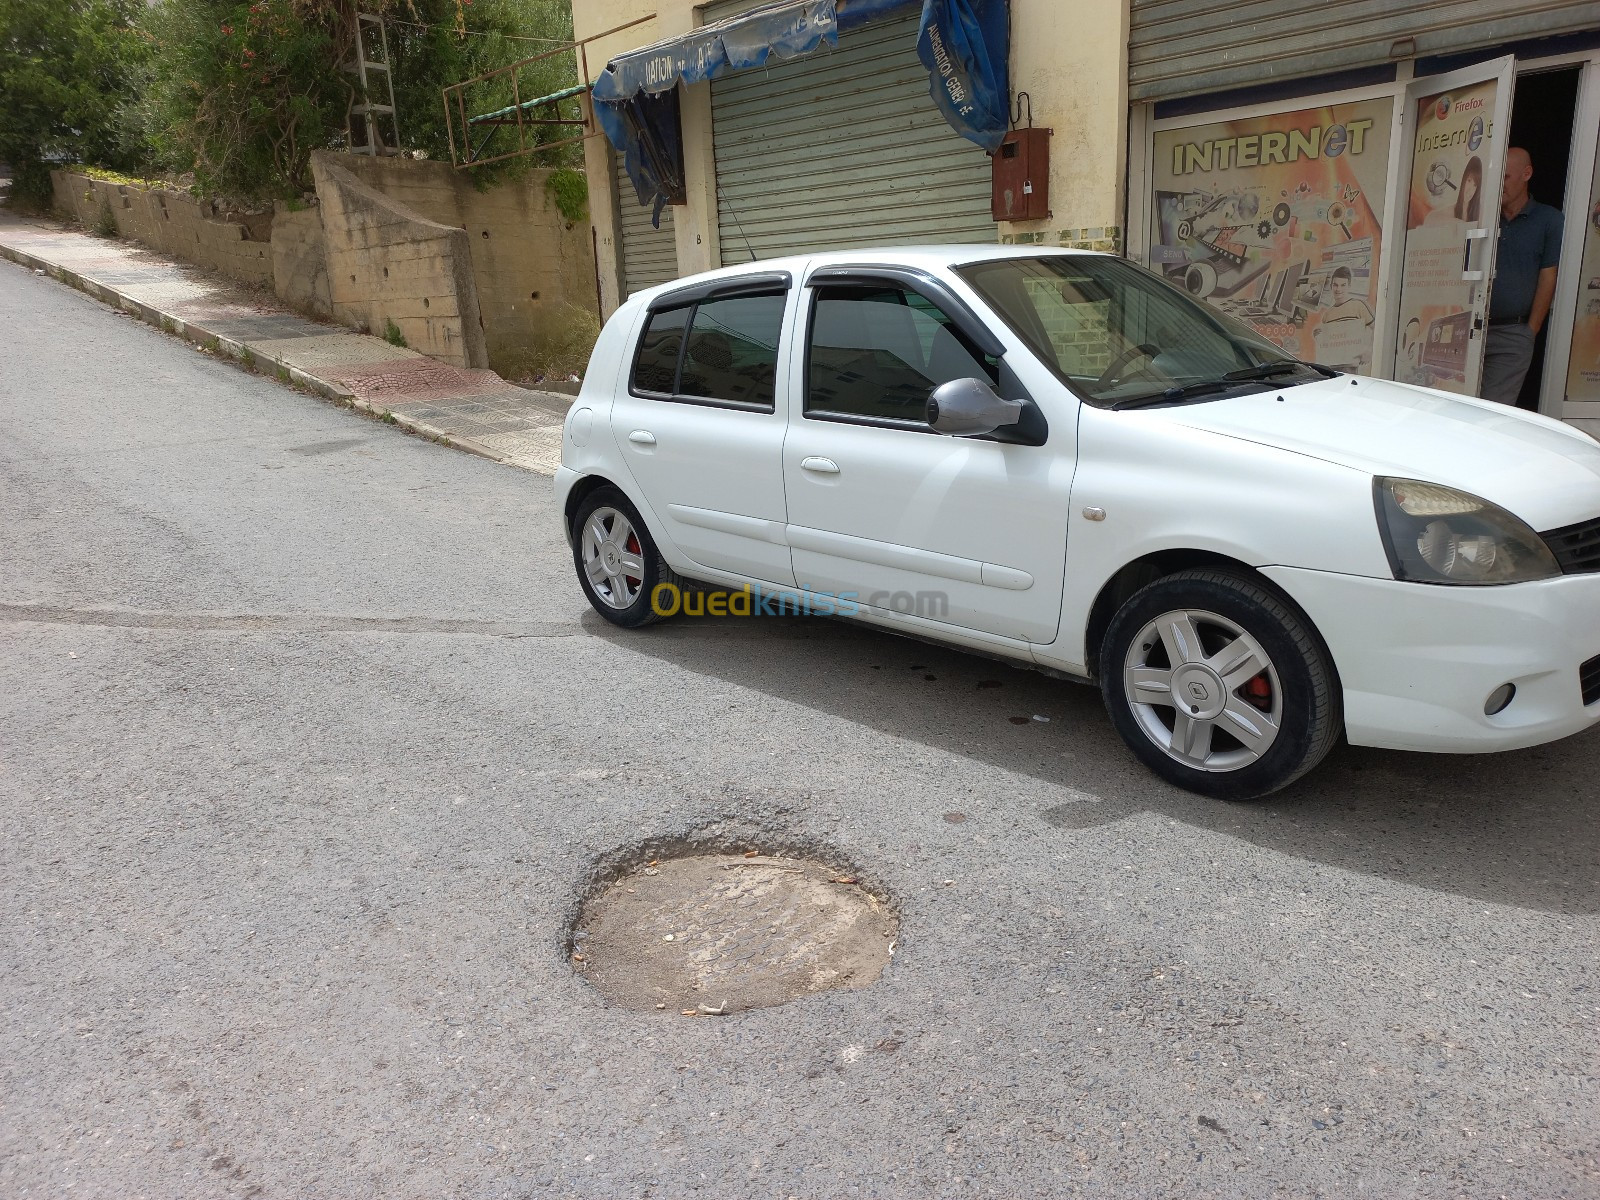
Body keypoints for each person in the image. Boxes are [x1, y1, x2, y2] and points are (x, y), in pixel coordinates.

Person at [1482, 147, 1562, 405]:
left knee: (1493, 411)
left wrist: (1531, 329)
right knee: (1452, 409)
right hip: (1468, 329)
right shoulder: (1480, 216)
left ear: (1526, 174)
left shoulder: (1548, 219)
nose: (1498, 184)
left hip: (1513, 333)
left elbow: (1549, 276)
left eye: (1505, 177)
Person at [1455, 156, 1483, 222]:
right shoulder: (1449, 212)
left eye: (1475, 185)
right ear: (1463, 179)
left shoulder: (1480, 214)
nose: (1470, 190)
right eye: (1469, 180)